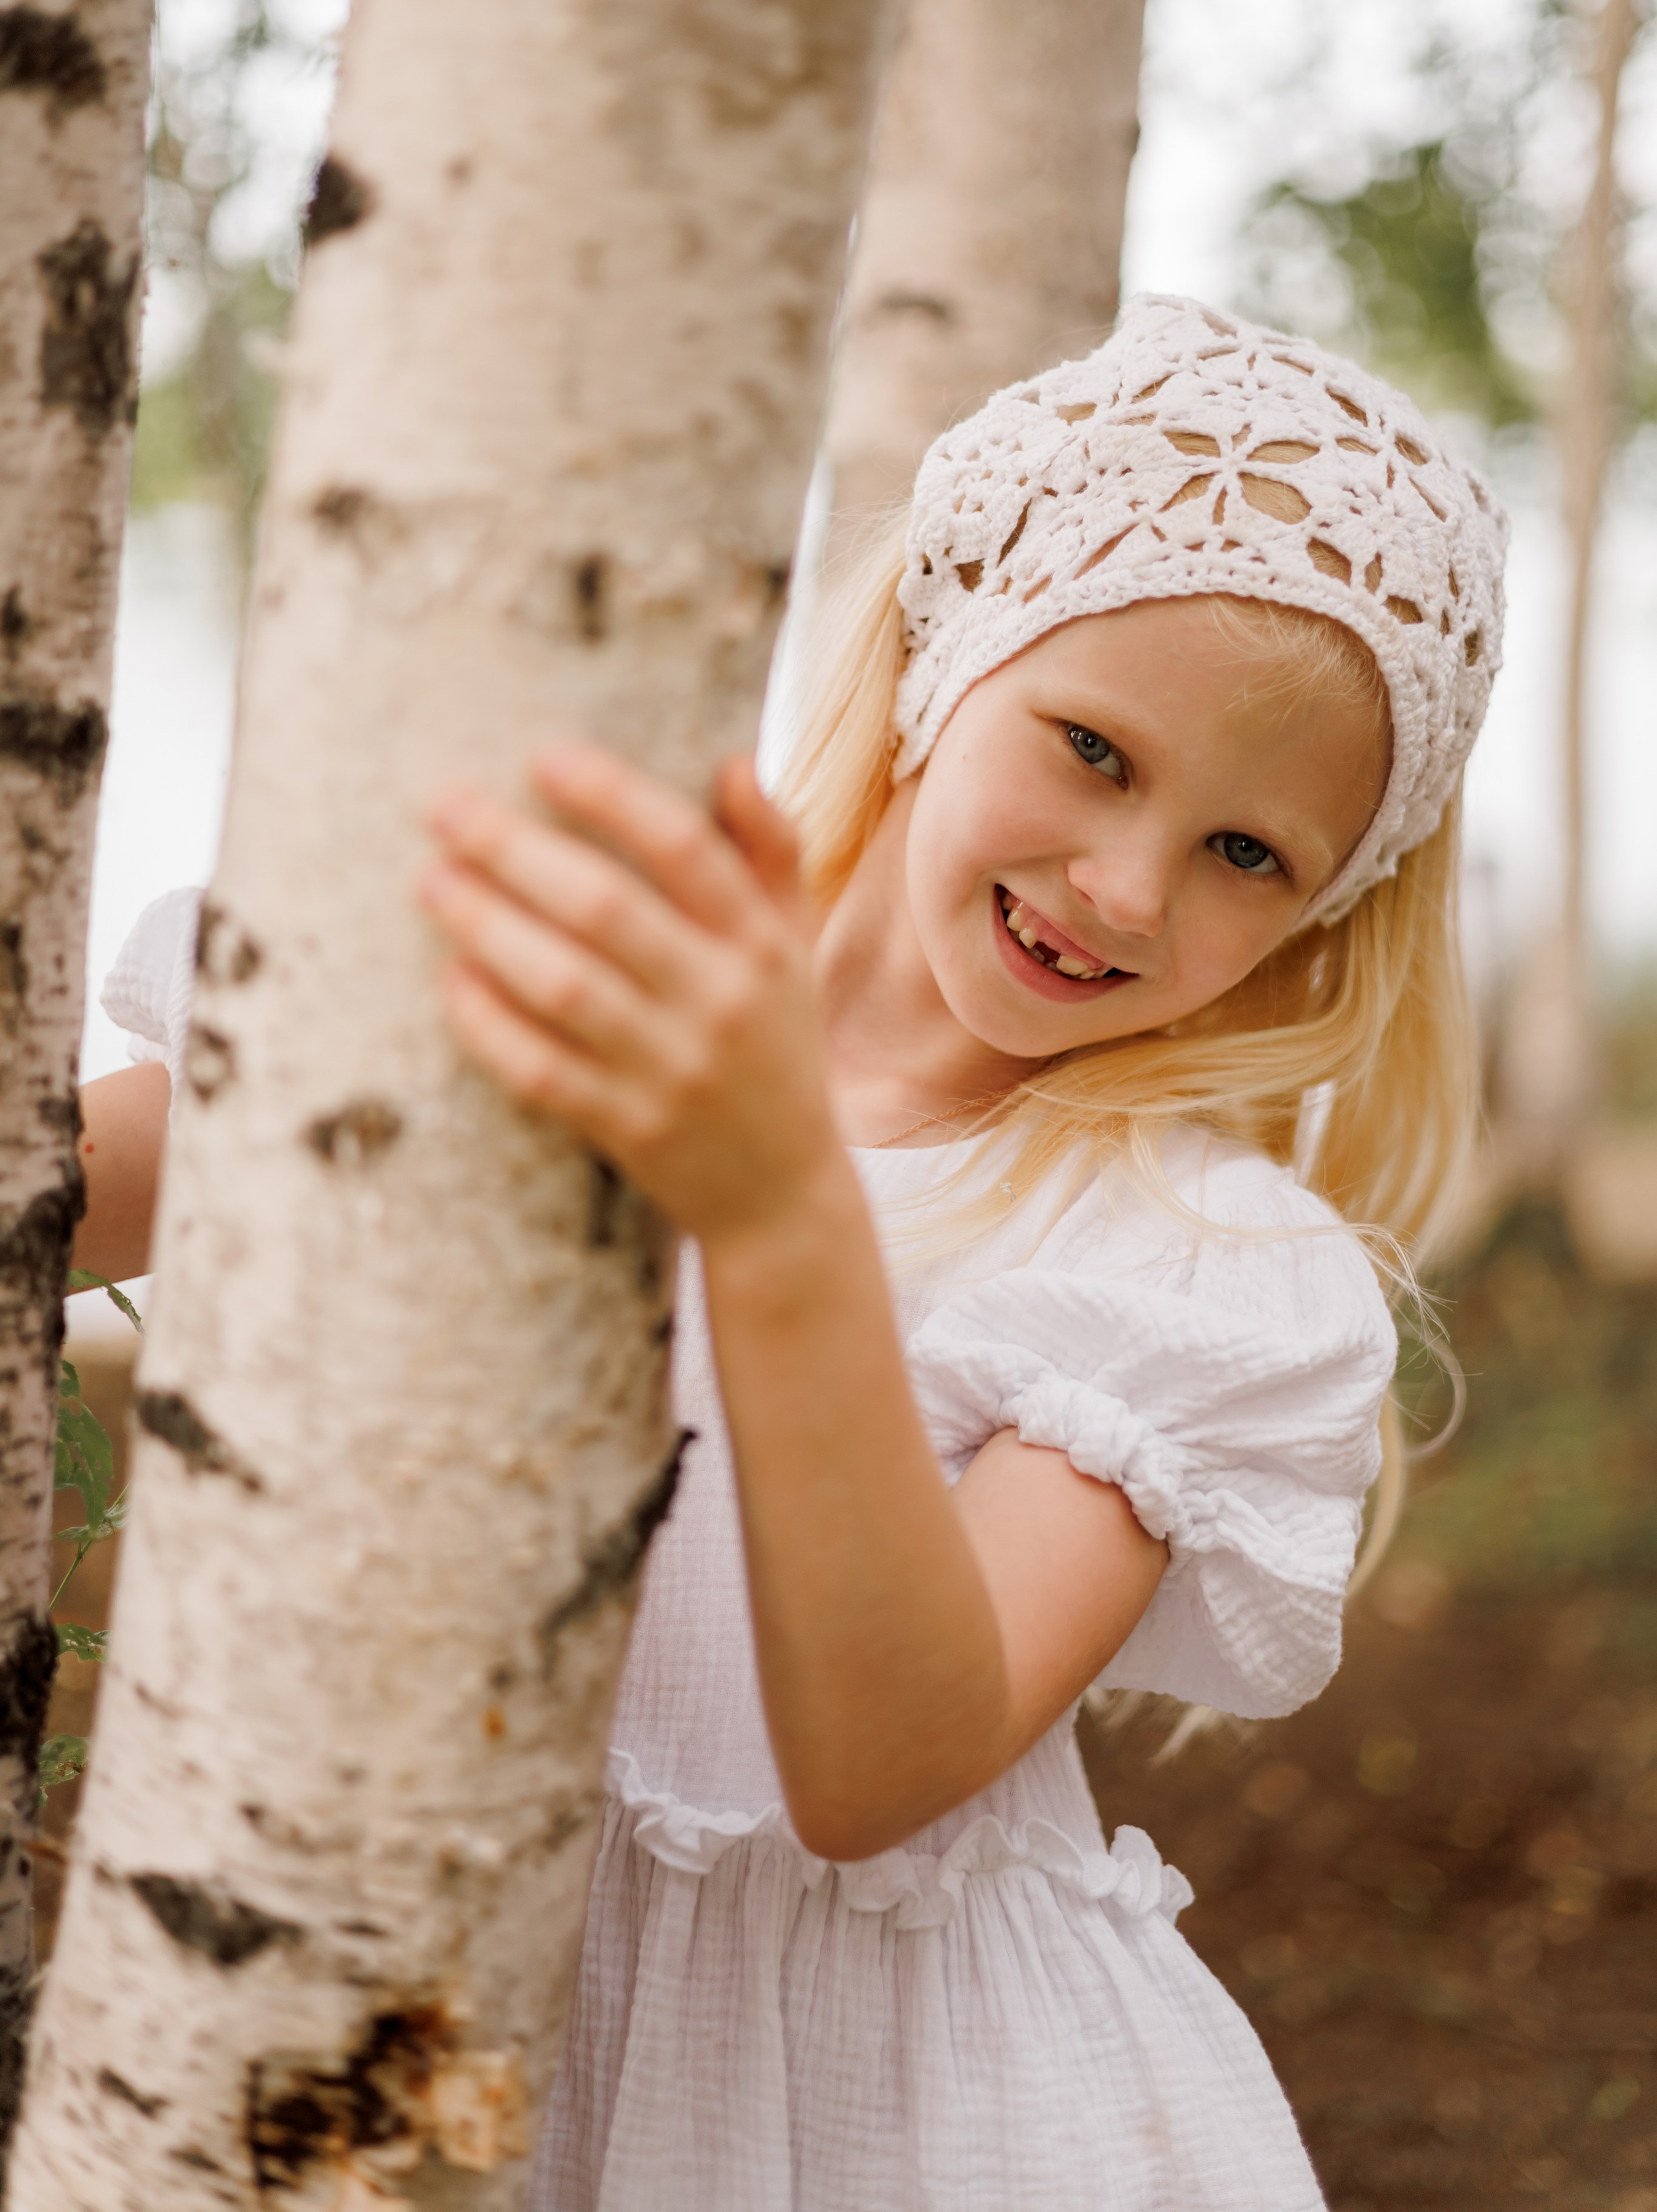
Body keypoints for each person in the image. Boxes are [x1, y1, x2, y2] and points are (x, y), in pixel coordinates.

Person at [83, 295, 1506, 2211]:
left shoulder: (1189, 1267)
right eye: (1092, 749)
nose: (1125, 886)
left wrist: (772, 1207)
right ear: (942, 651)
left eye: (1250, 856)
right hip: (410, 2005)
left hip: (913, 2132)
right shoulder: (593, 974)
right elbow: (91, 1188)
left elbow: (878, 1768)